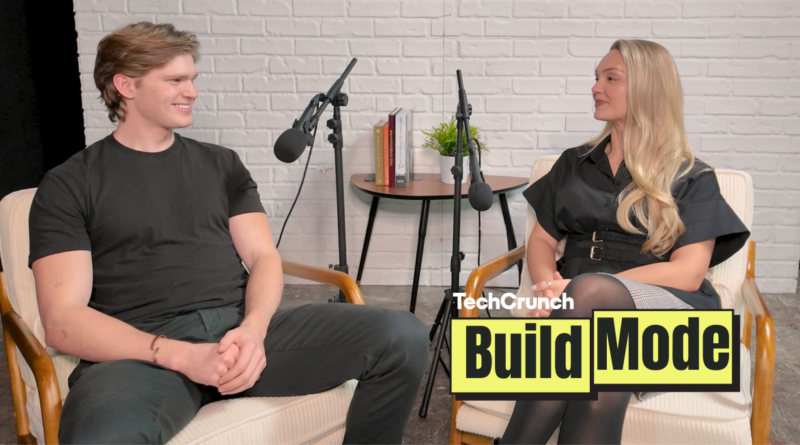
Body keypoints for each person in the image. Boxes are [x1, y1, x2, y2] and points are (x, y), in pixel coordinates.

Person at [29, 22, 429, 445]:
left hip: (240, 330)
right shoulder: (70, 184)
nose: (192, 91)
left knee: (401, 335)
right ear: (126, 85)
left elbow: (263, 258)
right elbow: (62, 320)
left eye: (192, 79)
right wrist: (181, 355)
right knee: (102, 436)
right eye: (175, 80)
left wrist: (254, 330)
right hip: (142, 350)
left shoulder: (222, 165)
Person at [495, 40, 750, 445]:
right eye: (597, 77)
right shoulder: (572, 163)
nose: (596, 87)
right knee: (602, 373)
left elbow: (687, 272)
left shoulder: (692, 176)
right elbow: (541, 241)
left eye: (611, 78)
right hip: (579, 315)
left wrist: (579, 291)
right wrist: (547, 290)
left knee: (589, 300)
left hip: (667, 315)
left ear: (649, 88)